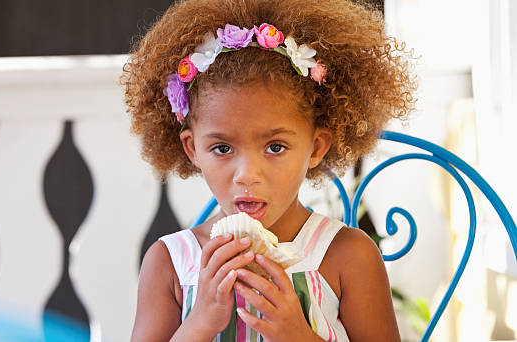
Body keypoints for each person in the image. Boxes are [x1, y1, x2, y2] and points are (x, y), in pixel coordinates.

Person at [121, 0, 416, 340]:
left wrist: (299, 335)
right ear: (192, 149)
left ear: (316, 147)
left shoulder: (349, 257)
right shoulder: (170, 264)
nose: (247, 174)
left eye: (275, 147)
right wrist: (200, 322)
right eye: (222, 148)